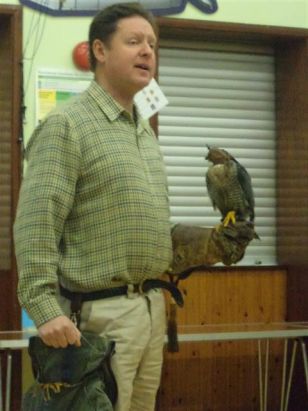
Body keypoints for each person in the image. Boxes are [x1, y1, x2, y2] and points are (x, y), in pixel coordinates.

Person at [14, 3, 174, 411]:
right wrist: (44, 308)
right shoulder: (68, 125)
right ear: (99, 51)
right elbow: (36, 223)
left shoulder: (143, 131)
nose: (147, 52)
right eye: (134, 41)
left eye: (152, 44)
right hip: (98, 317)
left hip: (151, 311)